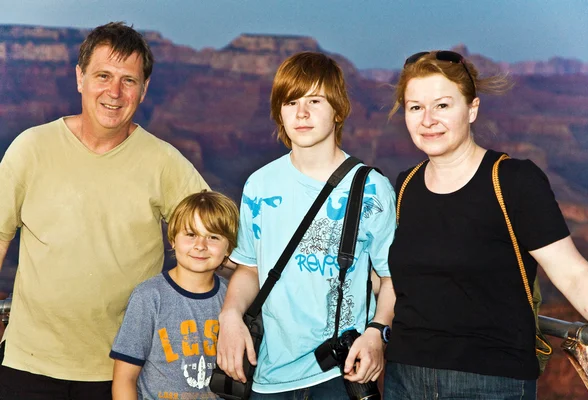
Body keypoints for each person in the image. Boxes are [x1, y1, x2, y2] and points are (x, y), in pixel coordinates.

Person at [0, 22, 210, 399]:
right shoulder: (30, 148)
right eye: (103, 76)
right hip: (27, 363)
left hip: (122, 370)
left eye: (128, 81)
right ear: (80, 78)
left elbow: (216, 238)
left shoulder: (164, 163)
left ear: (144, 90)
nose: (114, 92)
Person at [384, 50, 588, 399]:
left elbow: (573, 274)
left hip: (491, 382)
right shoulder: (405, 185)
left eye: (442, 105)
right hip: (405, 378)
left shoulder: (515, 182)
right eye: (415, 107)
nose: (428, 120)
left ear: (472, 109)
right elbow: (397, 281)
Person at [216, 51, 396, 399]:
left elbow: (391, 277)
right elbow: (251, 268)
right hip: (268, 376)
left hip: (340, 376)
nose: (301, 113)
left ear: (338, 110)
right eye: (291, 101)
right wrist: (230, 317)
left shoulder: (371, 188)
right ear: (278, 112)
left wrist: (377, 332)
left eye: (315, 100)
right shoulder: (259, 185)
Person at [110, 191, 238, 400]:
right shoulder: (149, 297)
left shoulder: (233, 298)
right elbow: (125, 378)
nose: (200, 245)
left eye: (213, 237)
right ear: (173, 239)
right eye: (190, 234)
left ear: (229, 248)